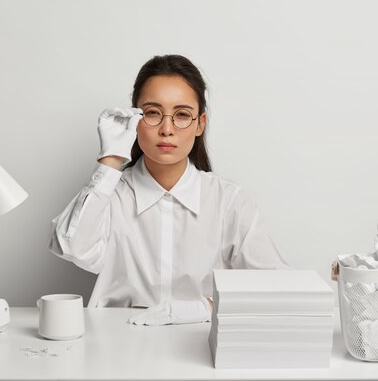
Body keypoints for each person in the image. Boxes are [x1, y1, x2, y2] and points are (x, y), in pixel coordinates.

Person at [49, 54, 290, 326]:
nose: (167, 129)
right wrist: (110, 160)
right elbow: (70, 247)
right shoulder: (110, 195)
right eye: (152, 113)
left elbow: (276, 285)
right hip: (116, 345)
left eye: (182, 115)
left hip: (201, 347)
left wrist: (206, 307)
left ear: (200, 123)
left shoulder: (228, 201)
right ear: (135, 119)